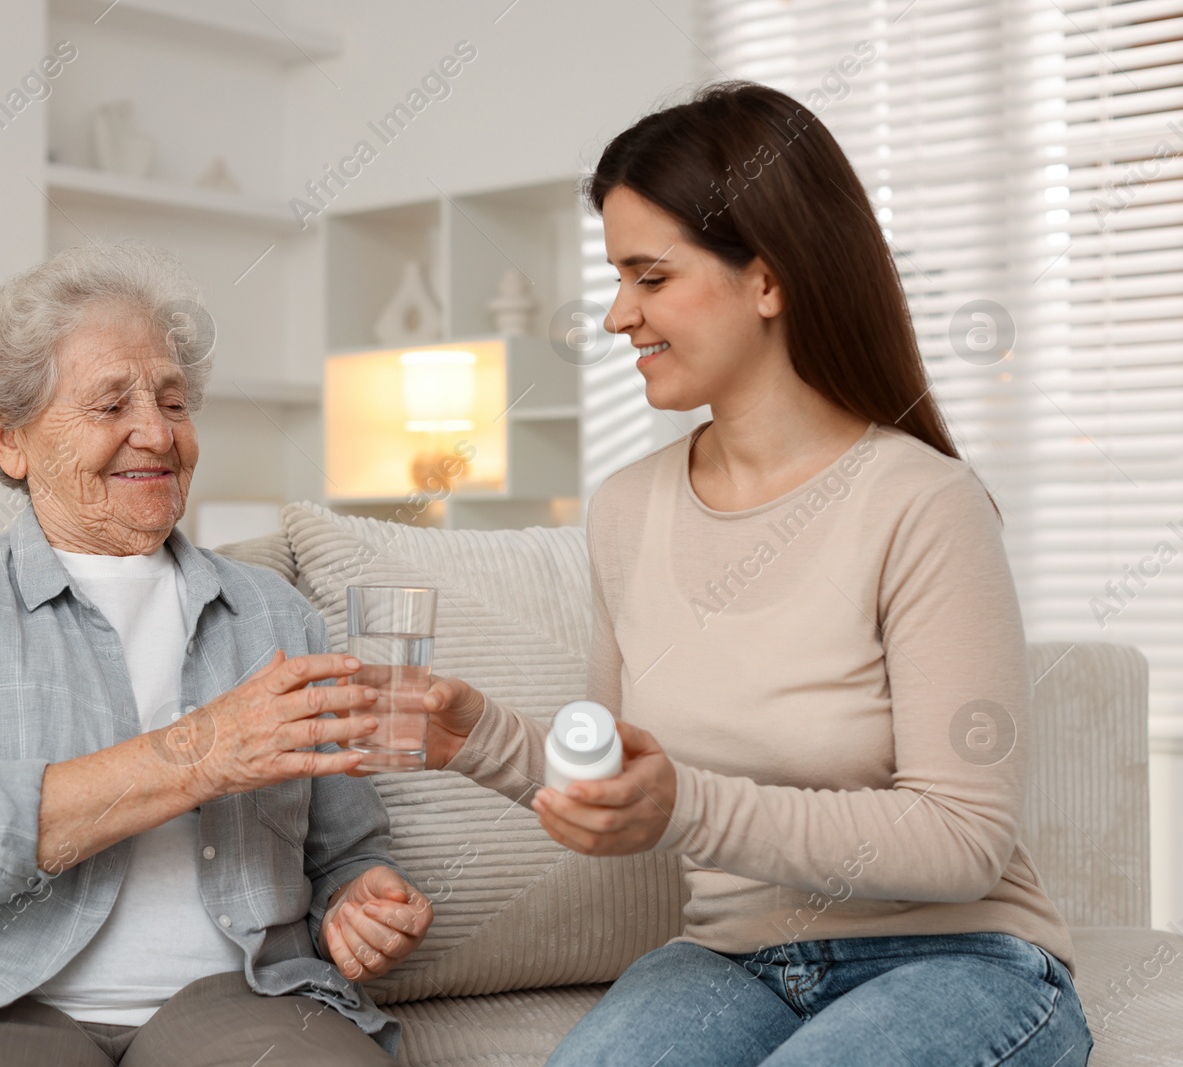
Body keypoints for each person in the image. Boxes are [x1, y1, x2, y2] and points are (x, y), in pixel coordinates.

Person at [409, 82, 1094, 1067]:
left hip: (957, 953)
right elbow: (622, 772)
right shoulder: (626, 506)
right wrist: (480, 737)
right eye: (615, 277)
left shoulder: (921, 502)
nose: (613, 315)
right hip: (732, 957)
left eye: (648, 276)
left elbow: (962, 835)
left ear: (765, 280)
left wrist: (687, 803)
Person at [0, 241, 432, 1067]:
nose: (155, 434)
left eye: (172, 401)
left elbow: (347, 850)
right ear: (8, 438)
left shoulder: (274, 614)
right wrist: (198, 754)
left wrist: (360, 902)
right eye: (110, 406)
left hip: (238, 1000)